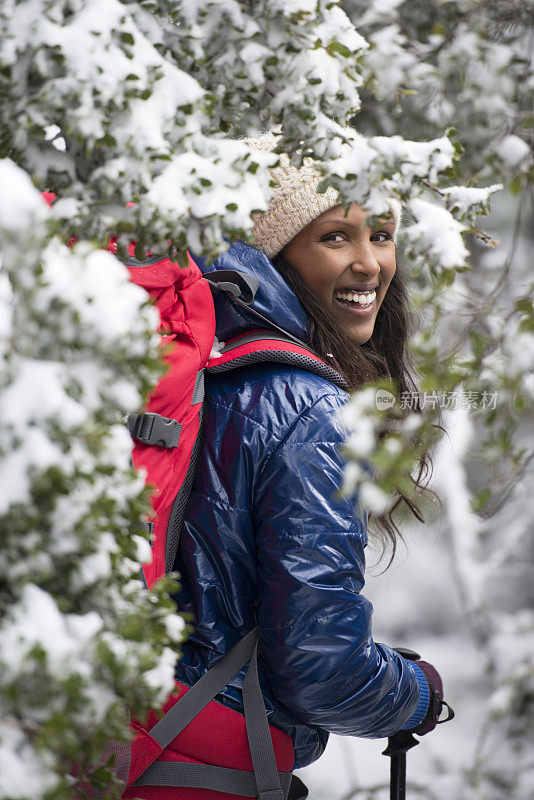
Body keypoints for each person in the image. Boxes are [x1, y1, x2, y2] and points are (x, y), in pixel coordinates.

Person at [134, 133, 447, 797]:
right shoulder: (308, 406)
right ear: (278, 253)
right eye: (336, 238)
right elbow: (321, 667)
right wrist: (415, 693)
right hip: (214, 752)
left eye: (383, 235)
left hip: (147, 736)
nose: (369, 264)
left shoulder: (217, 372)